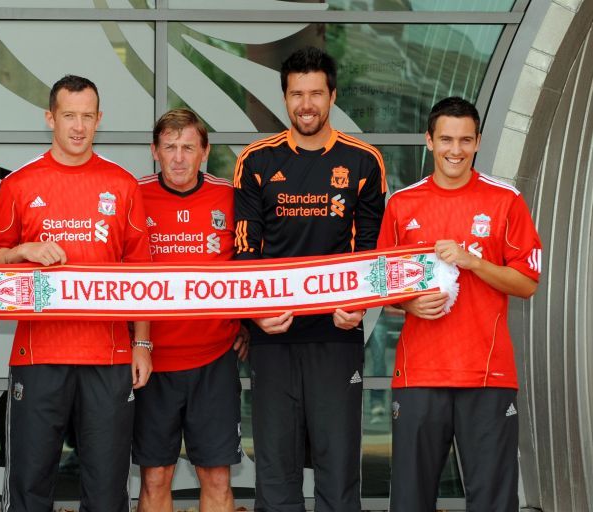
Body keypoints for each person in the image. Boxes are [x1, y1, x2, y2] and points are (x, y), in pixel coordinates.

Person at [0, 74, 152, 512]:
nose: (78, 126)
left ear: (99, 120)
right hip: (39, 357)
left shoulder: (122, 184)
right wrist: (22, 250)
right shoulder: (20, 184)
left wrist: (142, 343)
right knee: (29, 483)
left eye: (87, 117)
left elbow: (142, 276)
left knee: (105, 488)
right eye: (68, 116)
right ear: (50, 118)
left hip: (109, 358)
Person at [232, 46, 387, 511]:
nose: (306, 104)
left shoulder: (363, 161)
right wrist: (255, 315)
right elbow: (245, 250)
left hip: (336, 335)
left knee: (338, 470)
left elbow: (371, 250)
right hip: (273, 336)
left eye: (315, 93)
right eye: (297, 93)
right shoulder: (255, 161)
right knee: (275, 472)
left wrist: (358, 304)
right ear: (284, 98)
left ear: (332, 96)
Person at [377, 97, 541, 512]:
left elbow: (526, 283)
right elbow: (380, 285)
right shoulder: (402, 204)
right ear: (428, 141)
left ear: (478, 142)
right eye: (446, 139)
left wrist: (473, 261)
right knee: (411, 501)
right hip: (419, 376)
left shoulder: (506, 200)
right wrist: (408, 305)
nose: (455, 150)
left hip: (488, 376)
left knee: (493, 501)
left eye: (465, 140)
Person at [134, 108, 248, 512]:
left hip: (214, 359)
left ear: (205, 152)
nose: (178, 158)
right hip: (153, 362)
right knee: (155, 477)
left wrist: (247, 324)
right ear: (154, 151)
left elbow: (250, 268)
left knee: (216, 478)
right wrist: (137, 342)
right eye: (169, 147)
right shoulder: (134, 195)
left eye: (187, 148)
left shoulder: (230, 198)